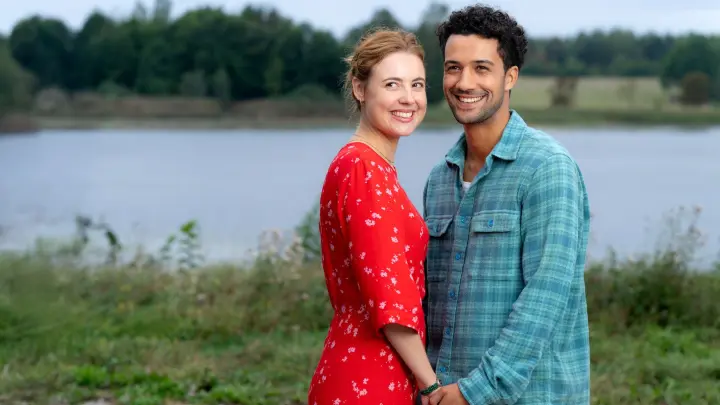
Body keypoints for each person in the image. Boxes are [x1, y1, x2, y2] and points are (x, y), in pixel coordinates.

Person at [422, 5, 592, 405]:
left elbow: (545, 297)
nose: (464, 82)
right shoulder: (439, 179)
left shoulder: (547, 168)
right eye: (453, 68)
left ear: (510, 76)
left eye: (481, 68)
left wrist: (475, 392)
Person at [307, 28, 445, 405]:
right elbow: (391, 301)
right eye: (392, 84)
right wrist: (431, 385)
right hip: (369, 380)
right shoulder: (363, 169)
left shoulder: (369, 165)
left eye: (417, 85)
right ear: (360, 88)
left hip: (374, 371)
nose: (408, 98)